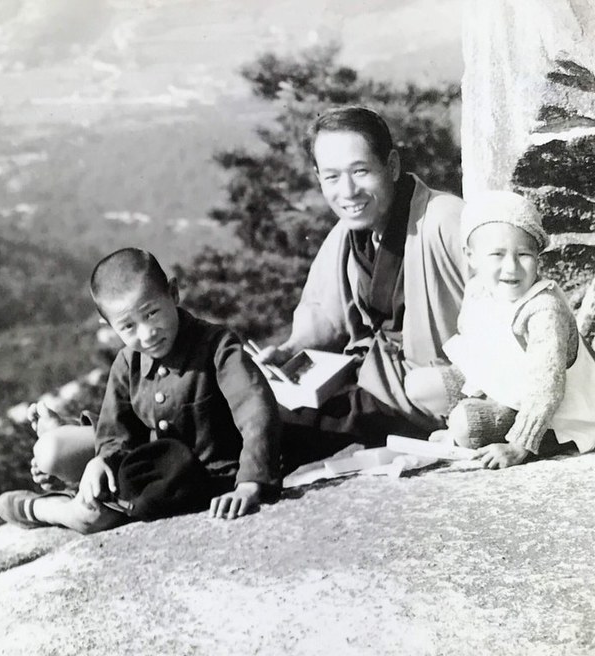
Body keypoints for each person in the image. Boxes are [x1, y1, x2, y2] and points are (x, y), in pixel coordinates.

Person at [0, 248, 282, 533]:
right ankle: (47, 497)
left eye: (152, 313)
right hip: (154, 475)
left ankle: (40, 507)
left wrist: (249, 484)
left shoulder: (217, 346)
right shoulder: (127, 363)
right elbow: (116, 430)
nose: (147, 334)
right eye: (128, 326)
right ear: (109, 326)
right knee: (91, 500)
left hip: (210, 481)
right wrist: (101, 460)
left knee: (91, 519)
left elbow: (255, 410)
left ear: (173, 293)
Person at [249, 106, 467, 467]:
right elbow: (323, 313)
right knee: (254, 411)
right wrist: (288, 350)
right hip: (373, 384)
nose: (347, 191)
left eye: (361, 171)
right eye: (332, 177)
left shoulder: (444, 220)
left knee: (270, 428)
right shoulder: (349, 233)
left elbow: (506, 307)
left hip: (429, 398)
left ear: (392, 166)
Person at [410, 190, 595, 468]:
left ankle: (536, 435)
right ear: (471, 257)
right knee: (417, 385)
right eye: (496, 254)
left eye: (523, 254)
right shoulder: (478, 290)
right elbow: (476, 345)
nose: (511, 267)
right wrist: (478, 391)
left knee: (465, 424)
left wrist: (518, 446)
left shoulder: (543, 308)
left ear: (538, 256)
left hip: (556, 409)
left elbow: (547, 388)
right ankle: (473, 420)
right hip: (505, 384)